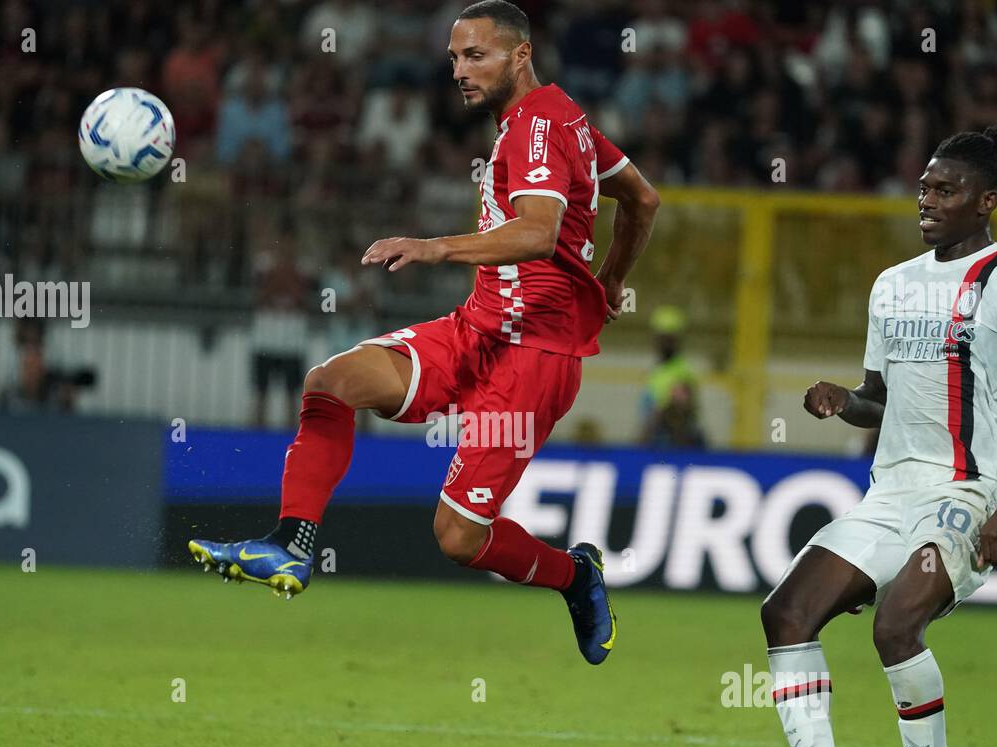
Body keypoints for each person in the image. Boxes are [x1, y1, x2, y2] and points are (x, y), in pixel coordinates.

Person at [189, 0, 660, 666]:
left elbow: (538, 232)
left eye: (477, 56)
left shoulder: (535, 128)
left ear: (520, 55)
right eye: (454, 59)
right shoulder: (564, 118)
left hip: (534, 356)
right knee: (333, 382)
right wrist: (609, 280)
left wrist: (434, 248)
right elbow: (642, 199)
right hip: (477, 329)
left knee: (459, 539)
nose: (461, 71)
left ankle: (574, 574)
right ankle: (289, 544)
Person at [740, 124, 997, 747]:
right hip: (890, 491)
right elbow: (878, 396)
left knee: (895, 627)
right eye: (924, 186)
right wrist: (843, 398)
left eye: (945, 188)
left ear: (985, 201)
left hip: (968, 489)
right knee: (786, 613)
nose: (926, 199)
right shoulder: (891, 284)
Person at [639, 305, 705, 447]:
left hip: (669, 446)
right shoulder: (657, 370)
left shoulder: (682, 372)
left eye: (669, 339)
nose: (664, 343)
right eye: (661, 338)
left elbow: (681, 416)